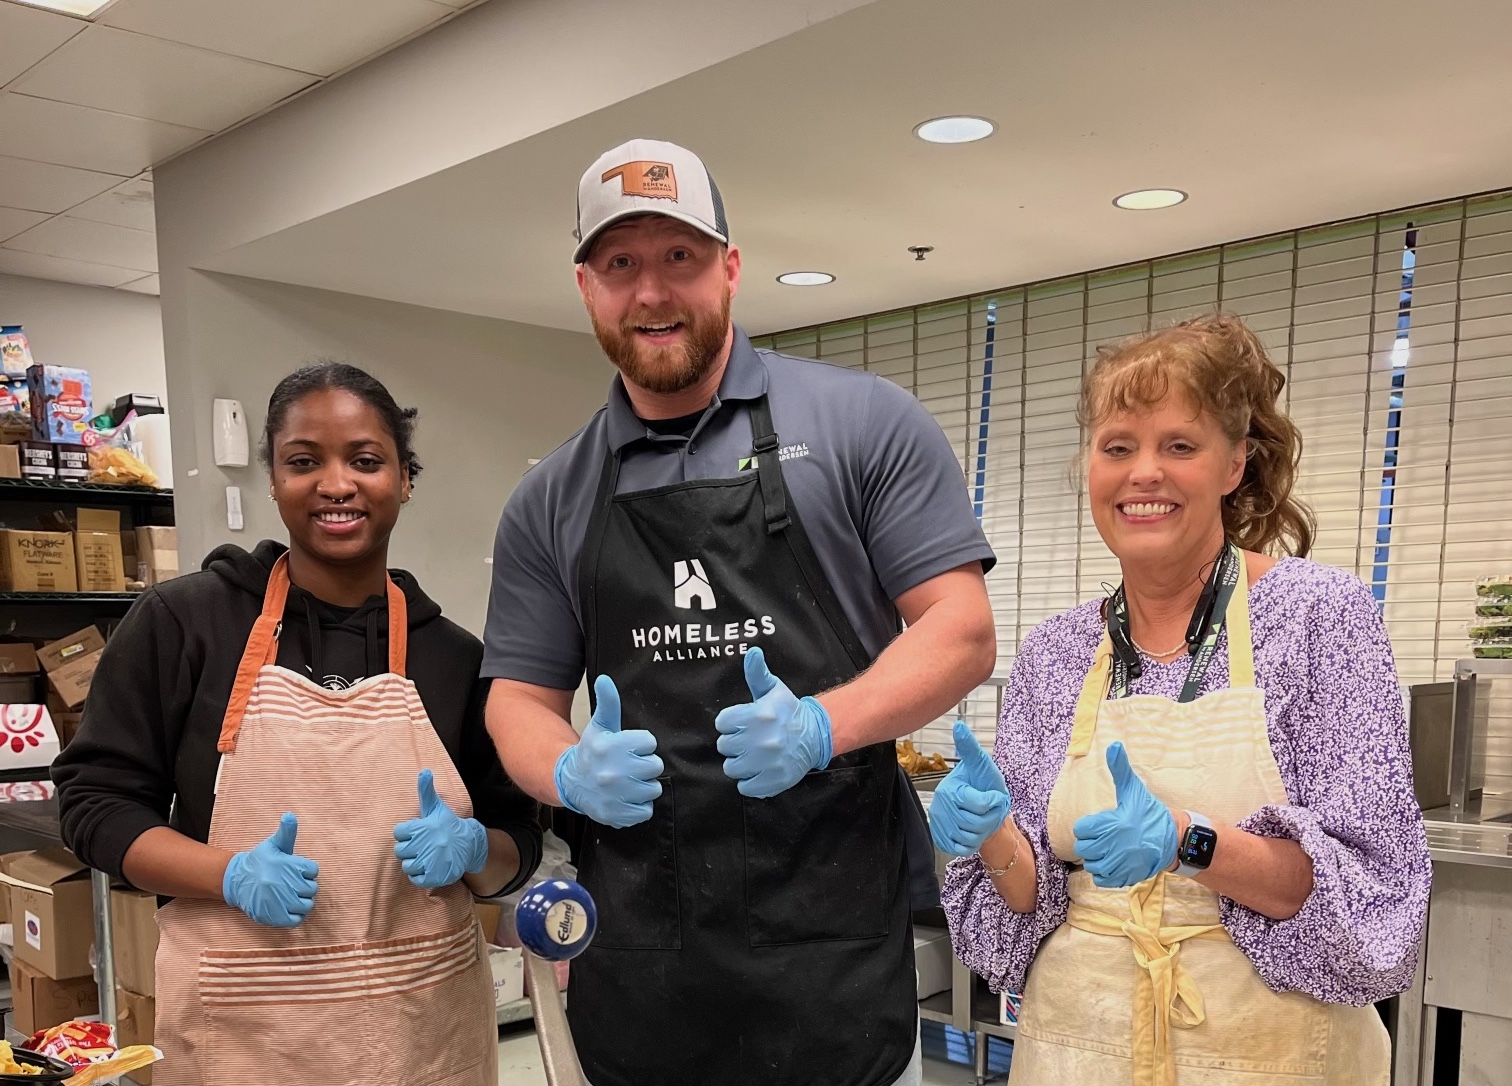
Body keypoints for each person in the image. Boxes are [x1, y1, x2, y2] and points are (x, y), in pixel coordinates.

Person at [482, 139, 997, 1086]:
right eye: (620, 264)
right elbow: (515, 698)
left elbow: (960, 630)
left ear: (729, 266)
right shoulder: (552, 494)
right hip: (643, 948)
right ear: (586, 287)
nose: (652, 293)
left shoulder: (862, 424)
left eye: (678, 257)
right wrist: (565, 771)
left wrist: (819, 725)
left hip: (830, 936)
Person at [933, 313, 1431, 1085]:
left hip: (1268, 1052)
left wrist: (1188, 841)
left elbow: (1371, 900)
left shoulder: (1317, 618)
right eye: (1118, 447)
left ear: (1235, 463)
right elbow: (1026, 903)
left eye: (1180, 446)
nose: (1144, 474)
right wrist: (993, 837)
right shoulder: (1058, 652)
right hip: (1077, 1046)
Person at [54, 363, 542, 1086]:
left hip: (421, 1035)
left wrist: (475, 849)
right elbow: (95, 806)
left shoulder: (456, 657)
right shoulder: (186, 624)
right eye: (304, 462)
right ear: (274, 480)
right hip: (247, 1037)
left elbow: (519, 844)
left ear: (405, 479)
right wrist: (228, 875)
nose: (337, 484)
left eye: (367, 461)